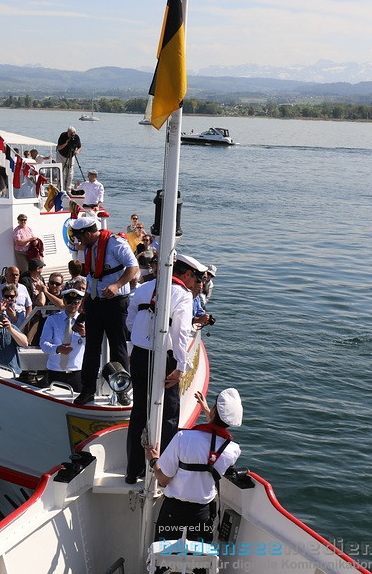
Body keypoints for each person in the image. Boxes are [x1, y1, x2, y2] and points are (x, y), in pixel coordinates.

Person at [124, 252, 207, 483]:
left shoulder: (143, 288)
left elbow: (129, 322)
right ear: (188, 274)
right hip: (164, 358)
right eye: (196, 278)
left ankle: (133, 470)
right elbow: (180, 333)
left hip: (140, 355)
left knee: (139, 411)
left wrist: (141, 340)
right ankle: (166, 471)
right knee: (169, 413)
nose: (196, 284)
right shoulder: (182, 295)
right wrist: (181, 365)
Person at [145, 388, 243, 544]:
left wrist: (152, 460)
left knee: (163, 558)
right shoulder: (233, 450)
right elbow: (213, 441)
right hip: (202, 515)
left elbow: (163, 480)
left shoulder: (183, 438)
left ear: (215, 410)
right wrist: (208, 412)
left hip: (173, 511)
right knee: (199, 560)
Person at [69, 216, 138, 405]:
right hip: (95, 301)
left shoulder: (116, 244)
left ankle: (122, 389)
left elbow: (133, 267)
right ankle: (88, 390)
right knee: (91, 348)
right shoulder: (90, 247)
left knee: (118, 348)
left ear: (89, 233)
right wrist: (85, 300)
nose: (79, 242)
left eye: (79, 237)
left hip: (115, 303)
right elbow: (92, 276)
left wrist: (117, 285)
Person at [38, 288, 87, 391]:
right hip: (55, 371)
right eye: (69, 302)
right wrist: (57, 349)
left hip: (76, 372)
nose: (73, 305)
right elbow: (43, 343)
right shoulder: (52, 319)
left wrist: (84, 334)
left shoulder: (86, 321)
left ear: (81, 303)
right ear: (64, 301)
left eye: (76, 302)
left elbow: (93, 346)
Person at [55, 126, 82, 190]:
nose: (72, 135)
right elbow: (58, 147)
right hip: (61, 155)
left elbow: (80, 147)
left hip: (71, 156)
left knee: (70, 173)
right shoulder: (63, 135)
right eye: (71, 133)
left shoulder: (76, 137)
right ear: (68, 132)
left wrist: (77, 151)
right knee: (61, 171)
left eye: (73, 133)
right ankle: (60, 187)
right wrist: (66, 143)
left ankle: (68, 189)